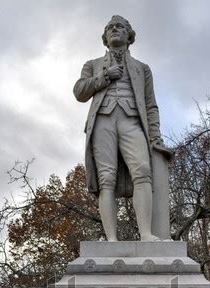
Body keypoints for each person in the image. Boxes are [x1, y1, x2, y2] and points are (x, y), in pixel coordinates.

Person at [73, 15, 170, 241]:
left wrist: (155, 137)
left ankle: (146, 234)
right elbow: (79, 92)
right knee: (107, 178)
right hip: (103, 121)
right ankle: (111, 239)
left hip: (132, 121)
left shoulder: (142, 69)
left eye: (120, 27)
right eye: (110, 28)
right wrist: (105, 76)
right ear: (105, 38)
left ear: (129, 35)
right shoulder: (93, 65)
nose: (114, 30)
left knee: (143, 172)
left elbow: (151, 105)